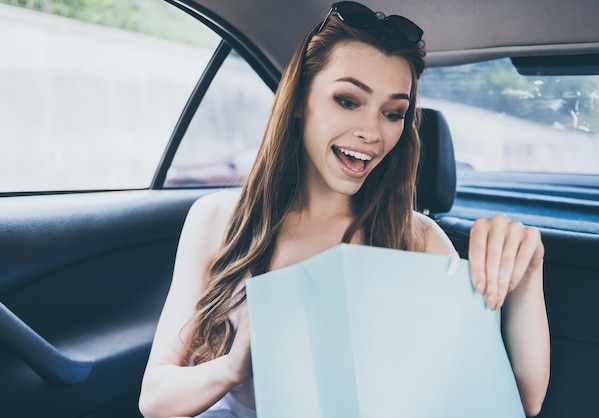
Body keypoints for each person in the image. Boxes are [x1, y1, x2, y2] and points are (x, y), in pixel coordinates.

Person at [138, 2, 550, 417]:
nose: (371, 132)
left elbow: (516, 399)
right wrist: (232, 368)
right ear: (300, 100)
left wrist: (529, 275)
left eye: (393, 113)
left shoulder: (418, 239)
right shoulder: (218, 219)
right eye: (348, 100)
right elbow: (155, 399)